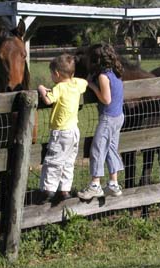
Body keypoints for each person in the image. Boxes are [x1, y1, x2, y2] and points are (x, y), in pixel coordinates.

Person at [37, 54, 88, 204]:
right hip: (74, 131)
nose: (51, 77)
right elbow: (85, 82)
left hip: (60, 132)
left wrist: (41, 89)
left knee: (53, 161)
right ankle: (65, 190)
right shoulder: (77, 84)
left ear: (57, 74)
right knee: (68, 161)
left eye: (52, 74)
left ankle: (48, 190)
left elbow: (48, 100)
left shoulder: (59, 87)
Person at [77, 43, 125, 200]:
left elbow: (106, 98)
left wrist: (92, 85)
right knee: (111, 149)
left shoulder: (103, 77)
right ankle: (113, 183)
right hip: (118, 117)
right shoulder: (116, 73)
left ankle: (95, 185)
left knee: (97, 150)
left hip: (108, 118)